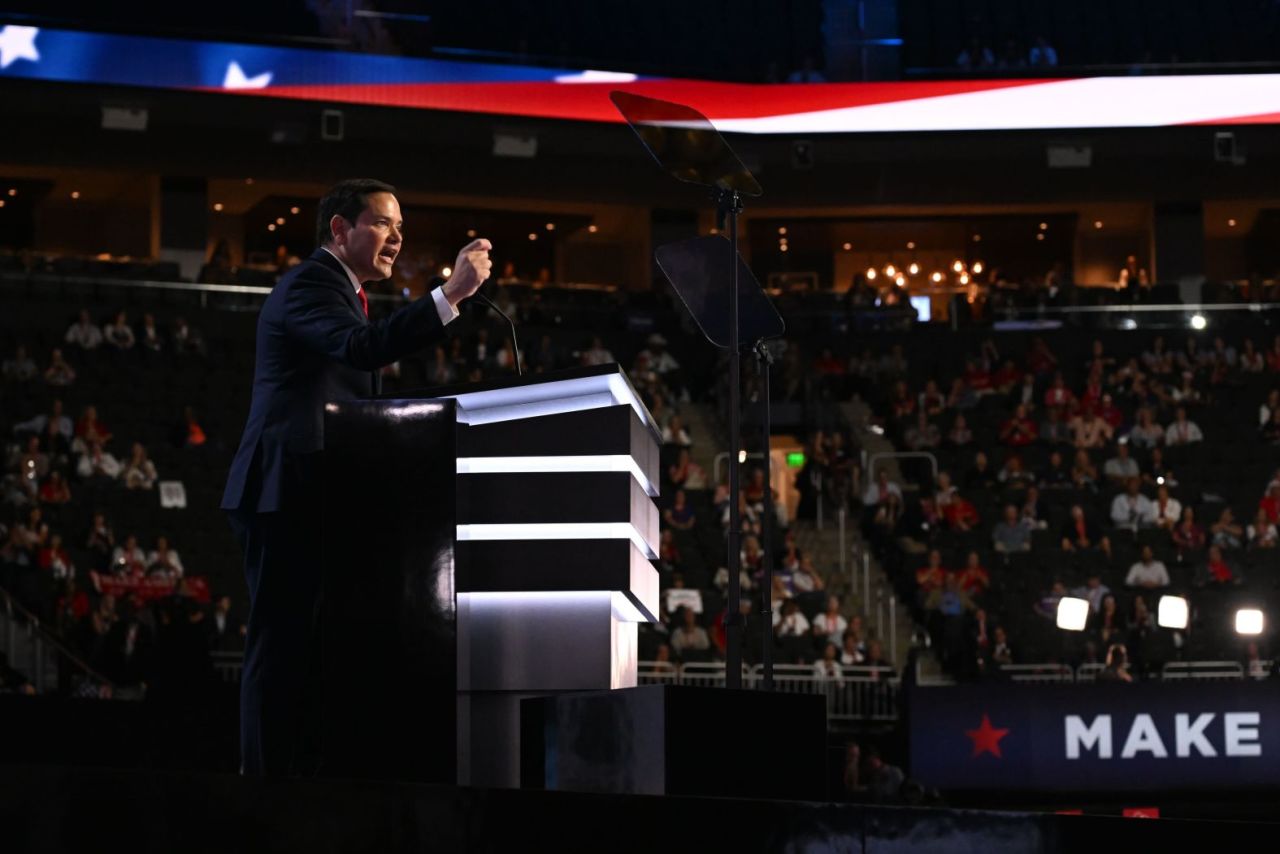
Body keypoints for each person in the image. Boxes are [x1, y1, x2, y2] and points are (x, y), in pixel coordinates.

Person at [221, 179, 492, 776]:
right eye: (383, 223)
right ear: (340, 230)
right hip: (283, 489)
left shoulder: (342, 292)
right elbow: (360, 348)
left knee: (312, 647)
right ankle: (261, 788)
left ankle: (300, 778)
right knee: (282, 642)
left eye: (401, 226)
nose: (397, 236)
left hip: (319, 492)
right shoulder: (309, 285)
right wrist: (448, 297)